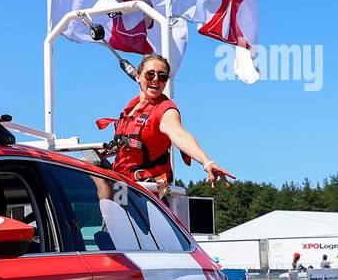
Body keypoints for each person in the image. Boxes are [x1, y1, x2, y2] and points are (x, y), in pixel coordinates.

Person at [96, 54, 235, 195]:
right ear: (138, 77)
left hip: (150, 191)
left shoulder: (165, 110)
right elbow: (124, 146)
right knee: (88, 169)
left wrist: (206, 162)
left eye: (162, 76)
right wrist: (94, 155)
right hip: (124, 186)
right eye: (150, 74)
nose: (156, 79)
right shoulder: (130, 110)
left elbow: (179, 134)